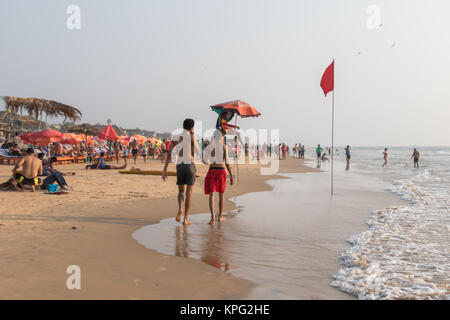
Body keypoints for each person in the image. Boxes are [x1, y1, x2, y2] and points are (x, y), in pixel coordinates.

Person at [162, 119, 198, 226]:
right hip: (190, 164)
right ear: (192, 127)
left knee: (181, 192)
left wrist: (165, 169)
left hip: (180, 165)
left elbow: (169, 154)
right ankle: (186, 219)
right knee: (189, 193)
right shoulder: (191, 136)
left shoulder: (175, 137)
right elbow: (198, 150)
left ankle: (180, 208)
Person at [204, 131, 234, 224]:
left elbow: (204, 159)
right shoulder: (224, 147)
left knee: (212, 194)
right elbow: (227, 163)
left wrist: (209, 162)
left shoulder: (209, 147)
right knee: (221, 195)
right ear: (221, 137)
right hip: (221, 171)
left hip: (212, 170)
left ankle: (212, 216)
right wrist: (231, 175)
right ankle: (220, 216)